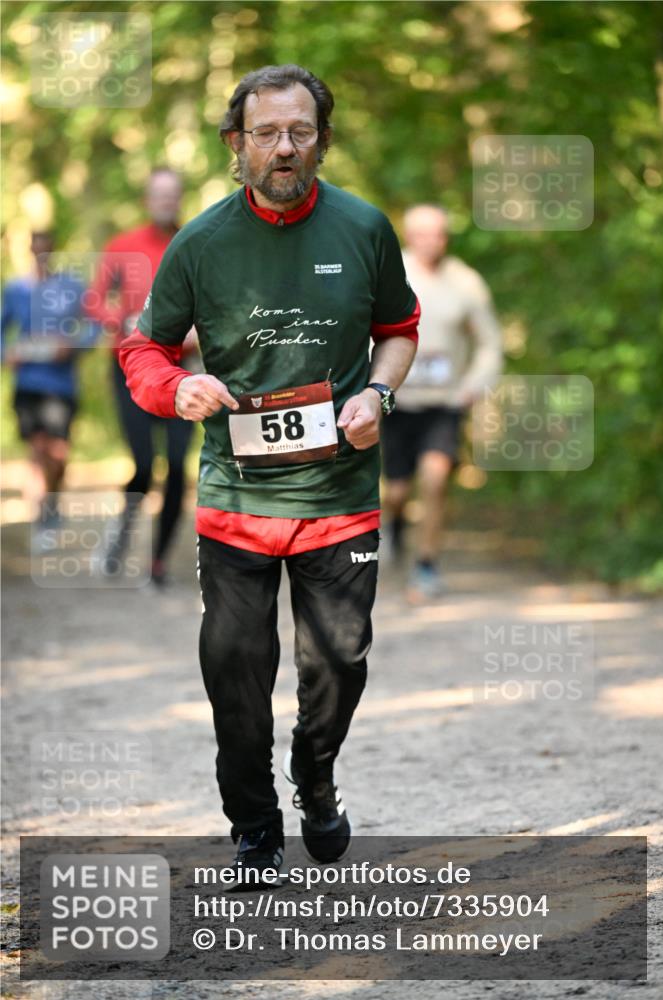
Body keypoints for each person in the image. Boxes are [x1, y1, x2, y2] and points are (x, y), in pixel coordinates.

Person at [118, 64, 419, 876]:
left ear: (321, 140)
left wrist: (380, 394)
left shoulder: (363, 228)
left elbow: (398, 329)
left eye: (299, 132)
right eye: (265, 133)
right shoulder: (200, 243)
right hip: (237, 499)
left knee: (339, 663)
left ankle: (314, 778)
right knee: (236, 675)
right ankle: (253, 824)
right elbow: (143, 347)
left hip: (339, 495)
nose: (283, 148)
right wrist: (176, 387)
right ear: (235, 142)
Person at [381, 204, 503, 601]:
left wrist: (474, 385)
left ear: (446, 237)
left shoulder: (466, 282)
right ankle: (394, 523)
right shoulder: (390, 272)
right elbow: (364, 327)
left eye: (438, 233)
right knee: (396, 490)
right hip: (397, 400)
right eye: (422, 233)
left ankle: (426, 565)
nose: (431, 241)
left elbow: (490, 343)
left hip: (445, 402)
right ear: (408, 236)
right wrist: (374, 382)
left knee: (434, 481)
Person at [86, 168, 199, 586]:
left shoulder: (195, 244)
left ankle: (158, 563)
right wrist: (122, 321)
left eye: (172, 195)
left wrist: (199, 331)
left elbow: (215, 303)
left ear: (180, 198)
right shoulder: (123, 247)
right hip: (130, 369)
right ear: (147, 200)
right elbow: (94, 301)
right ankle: (120, 535)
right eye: (159, 194)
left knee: (177, 466)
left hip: (181, 371)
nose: (166, 201)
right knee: (144, 465)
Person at [1, 232, 97, 549]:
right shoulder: (16, 289)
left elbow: (95, 324)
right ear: (29, 250)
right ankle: (40, 519)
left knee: (58, 452)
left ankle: (52, 505)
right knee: (37, 449)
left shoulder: (71, 287)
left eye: (46, 249)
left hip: (61, 384)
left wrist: (73, 345)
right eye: (36, 249)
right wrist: (7, 354)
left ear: (53, 250)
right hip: (28, 383)